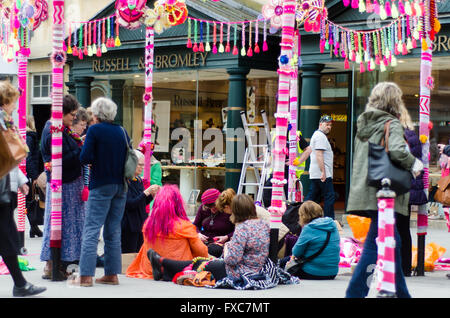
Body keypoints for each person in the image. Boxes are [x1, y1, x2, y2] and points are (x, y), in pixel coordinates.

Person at [345, 82, 423, 298]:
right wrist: (414, 164)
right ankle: (354, 294)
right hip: (384, 192)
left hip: (366, 190)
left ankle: (401, 293)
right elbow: (397, 152)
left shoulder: (364, 125)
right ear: (394, 101)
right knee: (377, 244)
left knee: (391, 242)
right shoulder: (392, 124)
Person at [147, 193, 270, 282]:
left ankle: (162, 264)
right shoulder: (262, 225)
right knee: (200, 262)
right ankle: (163, 268)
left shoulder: (243, 228)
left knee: (199, 264)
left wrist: (227, 248)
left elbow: (231, 260)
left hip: (238, 271)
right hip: (254, 268)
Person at [78, 97, 131, 287]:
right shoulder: (122, 131)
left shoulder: (94, 130)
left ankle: (85, 276)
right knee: (113, 230)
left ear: (96, 114)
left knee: (91, 229)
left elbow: (85, 158)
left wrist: (86, 147)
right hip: (120, 186)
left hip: (100, 184)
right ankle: (111, 274)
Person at [0, 81, 46, 296]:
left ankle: (20, 284)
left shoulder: (5, 120)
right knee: (7, 236)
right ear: (6, 101)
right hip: (1, 189)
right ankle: (20, 284)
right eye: (14, 101)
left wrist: (19, 180)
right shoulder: (2, 121)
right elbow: (9, 155)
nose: (16, 106)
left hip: (5, 185)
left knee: (6, 236)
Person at [40, 94, 86, 280]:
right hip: (62, 186)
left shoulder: (61, 129)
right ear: (62, 113)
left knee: (67, 226)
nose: (74, 118)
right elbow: (58, 160)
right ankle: (52, 264)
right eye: (71, 114)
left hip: (68, 184)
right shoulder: (52, 130)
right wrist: (81, 149)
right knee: (57, 225)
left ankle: (61, 263)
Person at [126, 184, 208, 280]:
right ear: (178, 204)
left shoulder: (148, 224)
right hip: (180, 269)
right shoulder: (184, 226)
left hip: (148, 269)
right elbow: (202, 252)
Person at [280, 201, 340, 280]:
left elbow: (296, 252)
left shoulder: (309, 228)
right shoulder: (332, 225)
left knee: (283, 262)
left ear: (303, 216)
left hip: (312, 272)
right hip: (332, 272)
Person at [401, 111, 427, 277]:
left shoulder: (401, 137)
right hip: (408, 186)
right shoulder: (412, 137)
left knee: (397, 228)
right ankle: (404, 266)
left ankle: (401, 266)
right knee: (403, 228)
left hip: (401, 187)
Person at [121, 150, 160, 253]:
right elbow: (129, 204)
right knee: (129, 254)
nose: (142, 168)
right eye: (140, 165)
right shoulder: (124, 181)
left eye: (143, 165)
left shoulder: (138, 179)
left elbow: (142, 203)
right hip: (129, 225)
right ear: (131, 164)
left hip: (140, 224)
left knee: (139, 253)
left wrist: (151, 195)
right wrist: (146, 192)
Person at [263, 130, 312, 207]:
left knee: (290, 198)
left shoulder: (296, 134)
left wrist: (297, 161)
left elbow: (308, 149)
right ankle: (271, 212)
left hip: (290, 171)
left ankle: (291, 215)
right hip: (277, 170)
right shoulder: (274, 133)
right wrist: (268, 161)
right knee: (267, 191)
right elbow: (267, 148)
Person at [304, 115, 335, 219]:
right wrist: (323, 172)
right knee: (329, 196)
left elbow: (312, 152)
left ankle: (303, 215)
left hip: (317, 173)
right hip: (322, 173)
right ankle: (329, 219)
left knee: (312, 197)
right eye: (327, 124)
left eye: (330, 125)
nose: (329, 127)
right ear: (320, 124)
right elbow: (319, 154)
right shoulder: (320, 136)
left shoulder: (317, 135)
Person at [193, 188, 235, 257]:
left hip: (221, 243)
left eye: (214, 205)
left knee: (211, 250)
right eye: (209, 207)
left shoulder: (228, 210)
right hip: (205, 241)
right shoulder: (203, 209)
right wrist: (198, 233)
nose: (212, 209)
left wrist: (226, 237)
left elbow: (238, 230)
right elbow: (195, 225)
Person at [25, 116, 43, 238]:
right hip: (31, 174)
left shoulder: (29, 136)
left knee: (31, 200)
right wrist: (34, 175)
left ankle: (34, 227)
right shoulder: (30, 137)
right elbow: (30, 157)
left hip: (31, 173)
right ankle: (34, 226)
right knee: (31, 200)